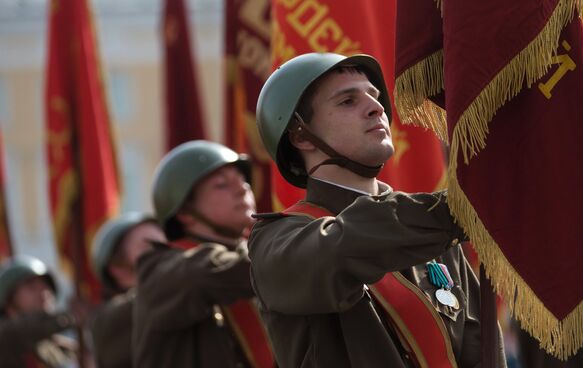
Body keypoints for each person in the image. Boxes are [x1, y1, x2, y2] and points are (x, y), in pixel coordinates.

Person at [251, 52, 506, 367]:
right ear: (300, 136)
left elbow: (481, 350)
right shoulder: (276, 240)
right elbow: (345, 246)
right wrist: (460, 208)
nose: (378, 107)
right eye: (347, 101)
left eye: (374, 95)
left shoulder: (433, 233)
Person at [132, 140, 274, 368]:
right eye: (222, 185)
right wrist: (295, 253)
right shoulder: (159, 270)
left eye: (243, 180)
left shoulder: (254, 255)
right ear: (185, 212)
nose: (242, 189)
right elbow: (209, 272)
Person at [90, 212, 165, 368]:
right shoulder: (109, 319)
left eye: (165, 245)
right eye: (148, 248)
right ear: (118, 269)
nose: (165, 254)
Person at [0, 255, 82, 367]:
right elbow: (30, 326)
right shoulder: (5, 338)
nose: (44, 291)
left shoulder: (61, 350)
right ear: (9, 302)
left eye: (45, 285)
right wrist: (73, 316)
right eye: (32, 286)